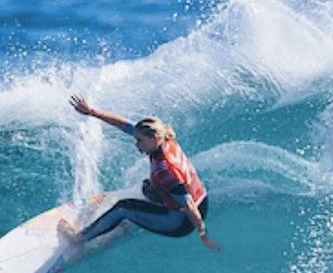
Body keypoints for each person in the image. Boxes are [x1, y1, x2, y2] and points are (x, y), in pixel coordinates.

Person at [61, 94, 220, 250]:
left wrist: (204, 235)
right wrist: (92, 112)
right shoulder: (165, 137)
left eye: (140, 141)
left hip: (181, 222)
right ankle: (134, 216)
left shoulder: (165, 170)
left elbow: (189, 206)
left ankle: (80, 238)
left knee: (123, 207)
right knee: (147, 188)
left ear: (154, 138)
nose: (137, 144)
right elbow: (123, 125)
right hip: (202, 200)